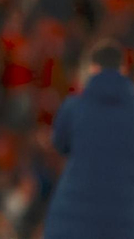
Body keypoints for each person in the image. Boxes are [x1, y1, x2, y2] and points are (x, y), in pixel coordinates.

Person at [44, 39, 134, 238]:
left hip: (70, 221)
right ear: (123, 70)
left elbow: (59, 144)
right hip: (122, 222)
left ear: (93, 68)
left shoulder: (73, 107)